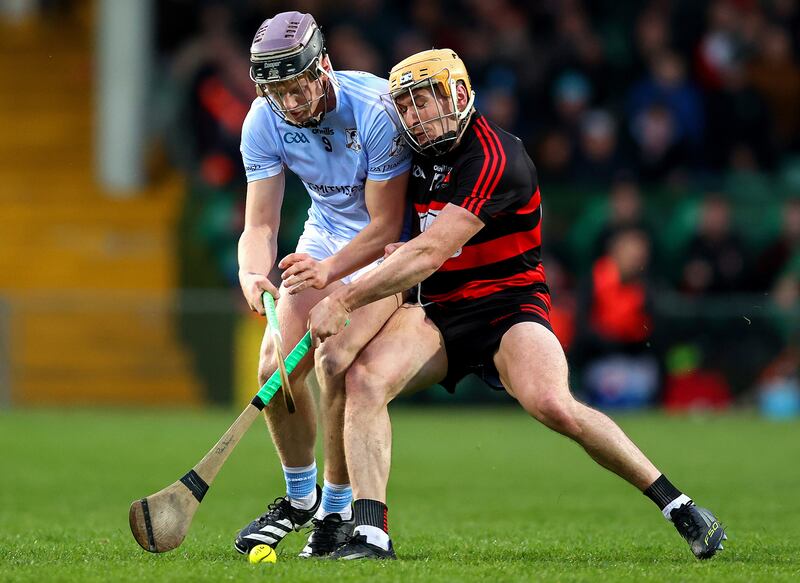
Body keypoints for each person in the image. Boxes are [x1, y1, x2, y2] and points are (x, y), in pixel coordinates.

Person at [307, 49, 726, 560]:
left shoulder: (495, 158)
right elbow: (395, 233)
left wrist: (344, 298)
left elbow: (432, 250)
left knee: (555, 406)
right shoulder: (405, 155)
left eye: (426, 100)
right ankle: (371, 533)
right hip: (438, 309)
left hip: (508, 306)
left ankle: (678, 505)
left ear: (460, 96)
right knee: (363, 380)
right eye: (407, 106)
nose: (416, 115)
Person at [234, 11, 411, 558]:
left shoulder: (377, 108)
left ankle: (336, 510)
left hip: (385, 251)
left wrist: (330, 275)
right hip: (324, 238)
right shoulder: (262, 119)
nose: (288, 103)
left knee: (335, 360)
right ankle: (300, 496)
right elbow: (260, 223)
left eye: (296, 87)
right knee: (275, 370)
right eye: (276, 91)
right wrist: (251, 270)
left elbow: (384, 224)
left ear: (323, 67)